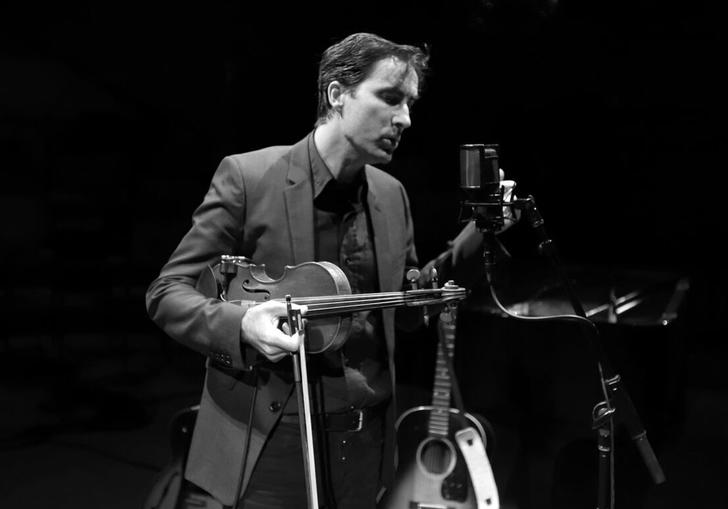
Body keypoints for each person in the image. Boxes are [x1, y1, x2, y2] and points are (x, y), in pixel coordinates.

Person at [145, 32, 514, 509]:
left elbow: (405, 306)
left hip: (366, 445)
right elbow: (167, 291)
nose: (405, 118)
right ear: (337, 94)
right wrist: (242, 324)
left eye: (410, 103)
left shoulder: (390, 193)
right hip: (270, 444)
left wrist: (482, 233)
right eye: (390, 98)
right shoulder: (248, 176)